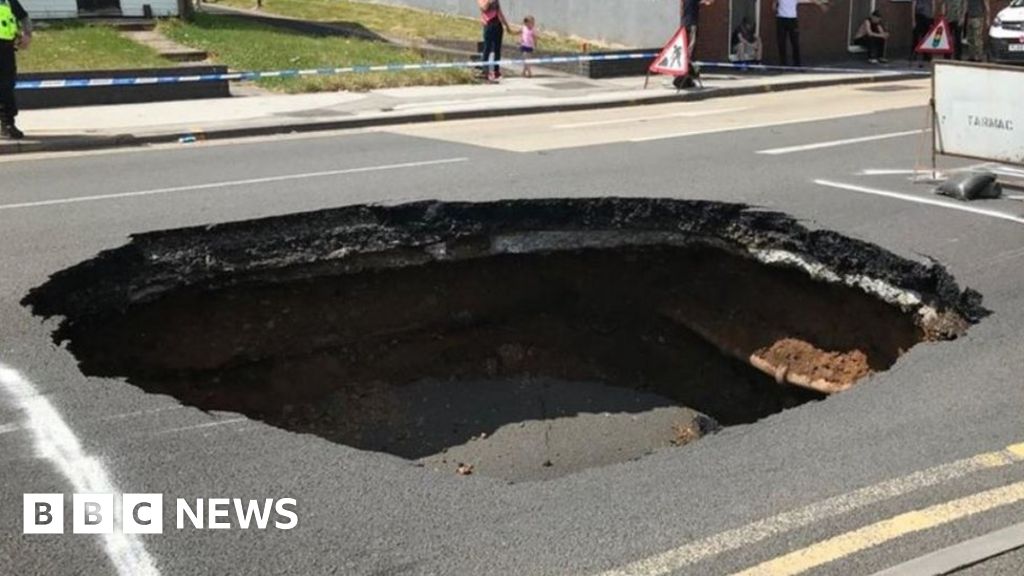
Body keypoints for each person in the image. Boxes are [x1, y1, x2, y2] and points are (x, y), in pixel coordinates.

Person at [0, 0, 31, 140]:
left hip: (6, 49)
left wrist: (27, 34)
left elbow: (23, 17)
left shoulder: (7, 1)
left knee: (6, 86)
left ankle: (8, 124)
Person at [478, 0, 511, 83]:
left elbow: (500, 12)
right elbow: (483, 8)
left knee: (497, 49)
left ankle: (496, 71)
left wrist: (506, 26)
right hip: (488, 24)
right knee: (487, 48)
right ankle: (485, 70)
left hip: (497, 25)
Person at [773, 0, 802, 66]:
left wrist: (821, 3)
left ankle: (797, 63)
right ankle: (783, 63)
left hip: (792, 19)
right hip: (781, 19)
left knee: (795, 42)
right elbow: (774, 4)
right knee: (781, 42)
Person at [911, 0, 935, 66]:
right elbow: (914, 5)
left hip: (928, 16)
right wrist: (913, 20)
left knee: (926, 37)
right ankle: (914, 54)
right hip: (919, 15)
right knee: (916, 36)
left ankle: (926, 55)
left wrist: (932, 16)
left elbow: (933, 3)